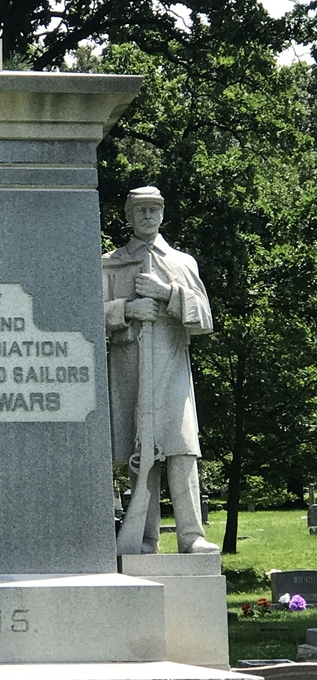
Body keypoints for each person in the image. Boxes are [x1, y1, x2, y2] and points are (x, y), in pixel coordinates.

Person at [102, 186, 218, 554]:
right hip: (131, 370)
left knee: (182, 449)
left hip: (171, 368)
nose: (148, 216)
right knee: (142, 454)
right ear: (129, 216)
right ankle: (145, 538)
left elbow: (205, 318)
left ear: (163, 214)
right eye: (140, 210)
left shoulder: (182, 263)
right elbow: (88, 317)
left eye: (154, 209)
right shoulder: (110, 263)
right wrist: (126, 310)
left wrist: (167, 293)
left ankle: (192, 535)